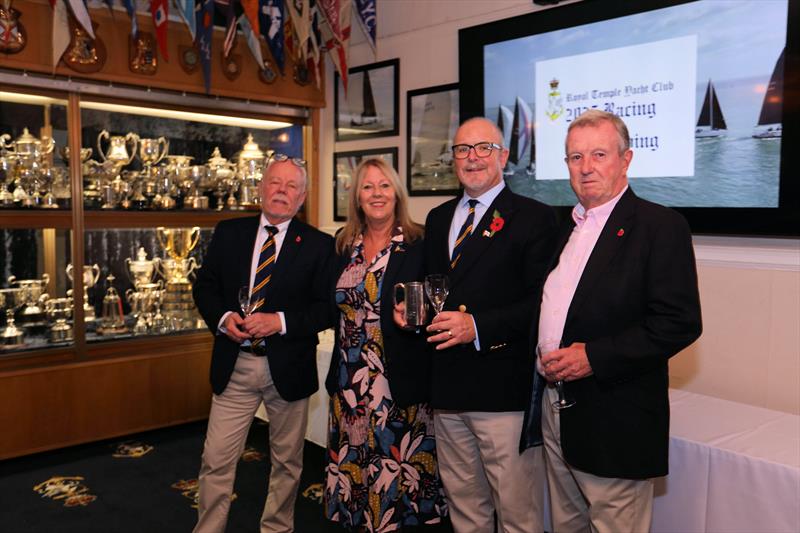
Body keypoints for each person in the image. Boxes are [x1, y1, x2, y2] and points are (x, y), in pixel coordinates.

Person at [521, 109, 702, 533]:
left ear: (626, 159)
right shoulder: (563, 226)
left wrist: (594, 357)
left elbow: (679, 321)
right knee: (567, 524)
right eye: (574, 157)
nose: (585, 168)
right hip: (556, 407)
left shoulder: (661, 226)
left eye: (598, 154)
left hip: (614, 415)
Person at [399, 117, 557, 533]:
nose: (472, 158)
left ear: (503, 156)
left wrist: (478, 326)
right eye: (462, 149)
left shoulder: (535, 218)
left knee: (517, 513)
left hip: (502, 391)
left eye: (483, 148)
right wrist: (410, 313)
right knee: (465, 509)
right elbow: (434, 291)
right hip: (448, 390)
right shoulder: (436, 218)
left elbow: (543, 304)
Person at [192, 154, 333, 533]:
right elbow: (204, 286)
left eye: (291, 186)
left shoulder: (320, 246)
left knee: (287, 463)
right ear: (260, 189)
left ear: (301, 198)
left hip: (288, 367)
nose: (281, 191)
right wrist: (223, 319)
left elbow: (327, 309)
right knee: (216, 459)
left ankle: (276, 529)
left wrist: (280, 322)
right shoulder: (229, 232)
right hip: (235, 364)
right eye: (275, 183)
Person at [324, 158, 448, 530]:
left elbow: (437, 300)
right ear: (357, 197)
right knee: (358, 478)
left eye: (384, 185)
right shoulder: (344, 245)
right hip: (349, 384)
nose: (376, 194)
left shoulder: (419, 242)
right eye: (367, 187)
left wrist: (418, 315)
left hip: (398, 381)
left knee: (399, 478)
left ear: (396, 193)